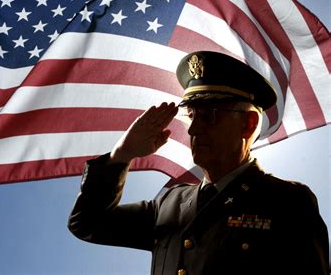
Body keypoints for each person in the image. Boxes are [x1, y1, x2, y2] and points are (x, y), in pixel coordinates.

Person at [68, 51, 329, 275]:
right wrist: (122, 155)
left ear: (248, 124)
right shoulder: (169, 203)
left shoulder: (287, 201)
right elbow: (87, 224)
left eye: (209, 115)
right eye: (191, 115)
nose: (193, 130)